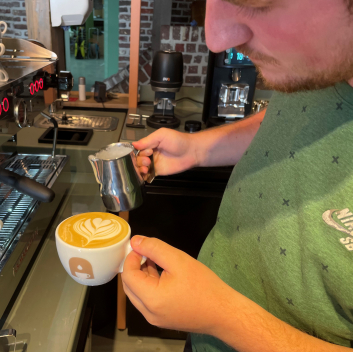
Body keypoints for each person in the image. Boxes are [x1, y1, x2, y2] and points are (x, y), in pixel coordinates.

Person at [121, 0, 353, 351]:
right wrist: (198, 148)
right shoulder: (323, 63)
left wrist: (221, 315)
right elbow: (297, 116)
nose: (215, 39)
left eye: (253, 0)